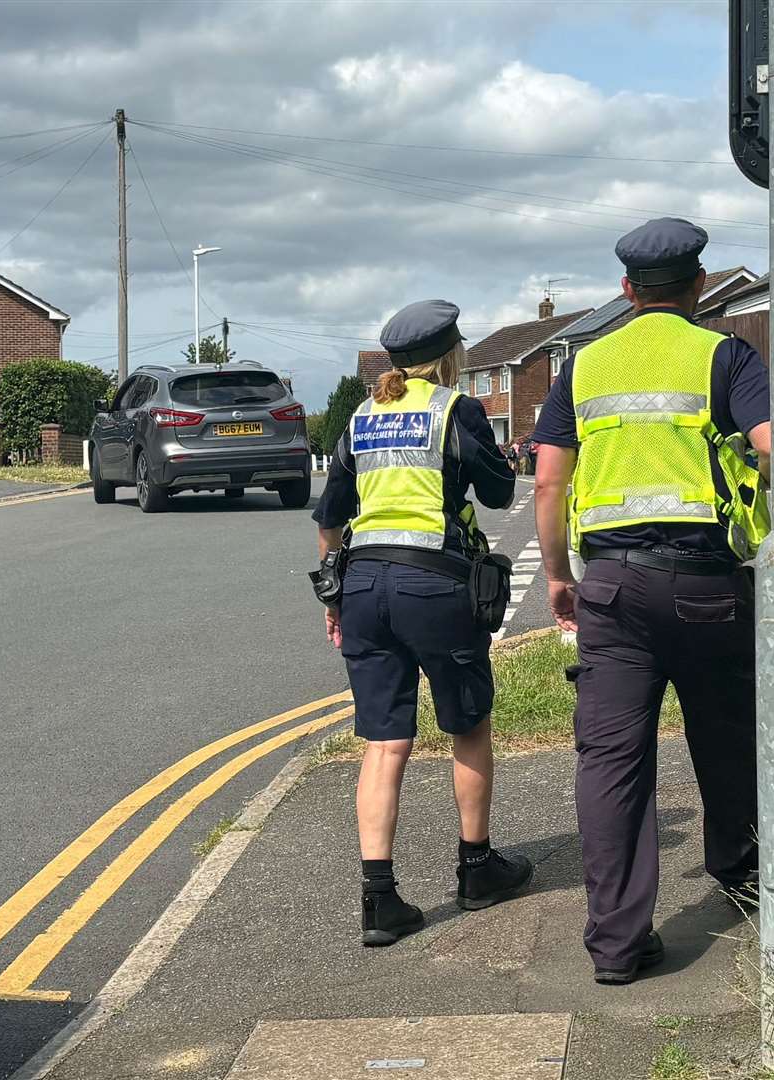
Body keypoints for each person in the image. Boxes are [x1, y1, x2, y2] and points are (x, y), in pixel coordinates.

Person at [531, 218, 772, 984]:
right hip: (707, 581)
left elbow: (547, 480)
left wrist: (559, 574)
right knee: (727, 733)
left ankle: (616, 944)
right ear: (699, 286)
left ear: (627, 290)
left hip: (611, 587)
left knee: (611, 760)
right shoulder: (724, 354)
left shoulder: (584, 365)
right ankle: (740, 874)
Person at [313, 299, 533, 948]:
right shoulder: (453, 410)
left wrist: (333, 598)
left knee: (384, 744)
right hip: (433, 585)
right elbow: (496, 493)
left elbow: (329, 518)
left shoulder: (360, 417)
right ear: (449, 357)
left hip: (362, 587)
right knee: (468, 724)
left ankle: (379, 900)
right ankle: (475, 869)